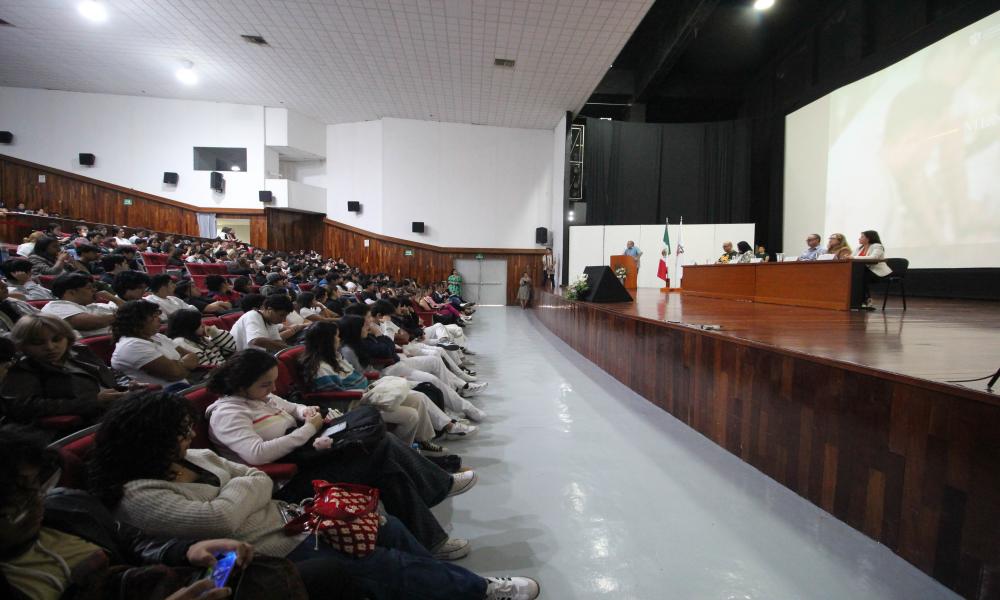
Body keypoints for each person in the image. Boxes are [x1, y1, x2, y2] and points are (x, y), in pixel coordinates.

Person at [89, 392, 539, 600]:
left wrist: (241, 489)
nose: (190, 436)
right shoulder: (138, 493)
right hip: (268, 546)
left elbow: (240, 483)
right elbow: (228, 513)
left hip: (290, 516)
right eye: (179, 432)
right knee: (383, 561)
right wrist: (248, 487)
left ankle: (432, 563)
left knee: (390, 523)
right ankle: (477, 591)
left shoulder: (200, 455)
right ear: (148, 441)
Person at [204, 350, 475, 557]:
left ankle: (434, 532)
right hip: (288, 481)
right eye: (265, 384)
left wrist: (305, 413)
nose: (272, 389)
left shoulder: (262, 397)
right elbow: (257, 455)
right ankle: (440, 490)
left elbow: (292, 407)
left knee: (383, 457)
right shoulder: (228, 414)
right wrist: (308, 429)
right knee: (382, 452)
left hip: (308, 454)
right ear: (240, 386)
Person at [0, 425, 273, 600]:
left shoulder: (66, 506)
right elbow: (222, 515)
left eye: (36, 489)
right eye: (14, 507)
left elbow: (132, 540)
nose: (36, 503)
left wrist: (186, 550)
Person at [301, 321, 460, 451]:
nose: (339, 339)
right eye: (336, 337)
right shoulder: (321, 367)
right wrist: (365, 393)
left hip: (367, 393)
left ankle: (422, 440)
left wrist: (374, 387)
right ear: (326, 341)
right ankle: (402, 450)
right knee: (410, 415)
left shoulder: (335, 357)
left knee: (418, 397)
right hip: (354, 405)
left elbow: (357, 376)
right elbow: (335, 398)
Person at [1, 315, 128, 425]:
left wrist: (128, 386)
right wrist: (92, 402)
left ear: (68, 338)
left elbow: (109, 373)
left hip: (113, 411)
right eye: (38, 343)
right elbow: (24, 407)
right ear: (22, 345)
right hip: (72, 428)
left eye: (57, 339)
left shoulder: (80, 351)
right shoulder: (21, 368)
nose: (50, 347)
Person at [110, 300, 201, 390]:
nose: (160, 319)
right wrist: (186, 366)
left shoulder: (157, 336)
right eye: (154, 316)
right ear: (138, 321)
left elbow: (193, 356)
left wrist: (179, 366)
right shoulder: (131, 346)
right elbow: (175, 374)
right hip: (162, 396)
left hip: (183, 386)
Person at [41, 273, 122, 337]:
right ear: (71, 292)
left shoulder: (93, 305)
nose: (95, 290)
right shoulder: (56, 306)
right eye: (89, 288)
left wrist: (114, 299)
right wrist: (124, 316)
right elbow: (94, 322)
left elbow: (129, 310)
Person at [230, 294, 306, 352]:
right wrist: (291, 349)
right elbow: (257, 340)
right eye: (282, 315)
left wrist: (294, 350)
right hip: (237, 358)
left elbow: (277, 342)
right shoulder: (252, 315)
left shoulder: (271, 322)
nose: (283, 320)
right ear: (270, 310)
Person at [167, 309, 237, 367]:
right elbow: (204, 367)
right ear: (190, 326)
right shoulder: (181, 342)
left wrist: (215, 333)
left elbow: (230, 350)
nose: (203, 325)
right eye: (199, 323)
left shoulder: (202, 339)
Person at [853, 230, 892, 310]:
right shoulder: (859, 248)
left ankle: (865, 301)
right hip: (864, 271)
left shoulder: (877, 246)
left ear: (868, 238)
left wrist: (853, 257)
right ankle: (856, 301)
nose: (859, 238)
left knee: (860, 277)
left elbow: (874, 257)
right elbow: (851, 257)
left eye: (862, 236)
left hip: (877, 272)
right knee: (856, 276)